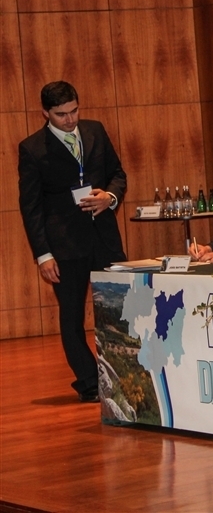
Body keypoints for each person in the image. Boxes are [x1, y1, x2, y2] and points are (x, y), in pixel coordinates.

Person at [18, 81, 127, 403]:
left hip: (104, 238)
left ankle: (126, 375)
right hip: (64, 246)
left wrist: (110, 197)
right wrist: (43, 255)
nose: (70, 119)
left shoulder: (95, 131)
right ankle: (90, 382)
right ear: (45, 113)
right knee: (72, 316)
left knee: (120, 308)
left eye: (74, 111)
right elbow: (31, 207)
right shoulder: (32, 149)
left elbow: (118, 174)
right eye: (61, 114)